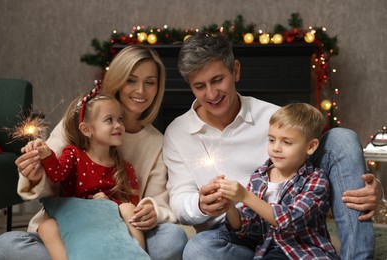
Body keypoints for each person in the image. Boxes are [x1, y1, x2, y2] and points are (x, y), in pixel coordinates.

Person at [163, 33, 381, 260]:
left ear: (235, 70)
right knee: (199, 249)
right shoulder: (178, 132)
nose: (211, 94)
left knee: (341, 138)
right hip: (233, 234)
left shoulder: (273, 117)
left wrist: (370, 187)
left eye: (218, 80)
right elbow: (179, 199)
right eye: (199, 86)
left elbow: (317, 169)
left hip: (291, 224)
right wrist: (200, 204)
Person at [0, 45, 187, 260]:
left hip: (122, 232)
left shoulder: (156, 143)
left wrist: (152, 211)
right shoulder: (79, 121)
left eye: (150, 82)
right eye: (131, 80)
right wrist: (36, 174)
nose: (141, 91)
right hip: (69, 228)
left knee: (173, 239)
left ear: (158, 87)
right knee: (5, 244)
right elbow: (54, 173)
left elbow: (156, 201)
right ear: (118, 80)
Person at [25, 90, 145, 259]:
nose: (118, 125)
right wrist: (46, 154)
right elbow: (57, 175)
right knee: (46, 226)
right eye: (109, 120)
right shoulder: (73, 155)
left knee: (128, 209)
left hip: (109, 228)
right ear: (87, 130)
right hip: (76, 226)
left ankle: (138, 255)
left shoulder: (125, 168)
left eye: (120, 119)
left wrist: (109, 204)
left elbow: (133, 204)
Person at [218, 103, 338, 259]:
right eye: (272, 140)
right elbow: (249, 227)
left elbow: (290, 219)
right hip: (267, 249)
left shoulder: (316, 180)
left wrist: (245, 196)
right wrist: (229, 207)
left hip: (302, 252)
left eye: (286, 142)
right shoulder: (259, 177)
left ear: (311, 146)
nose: (276, 148)